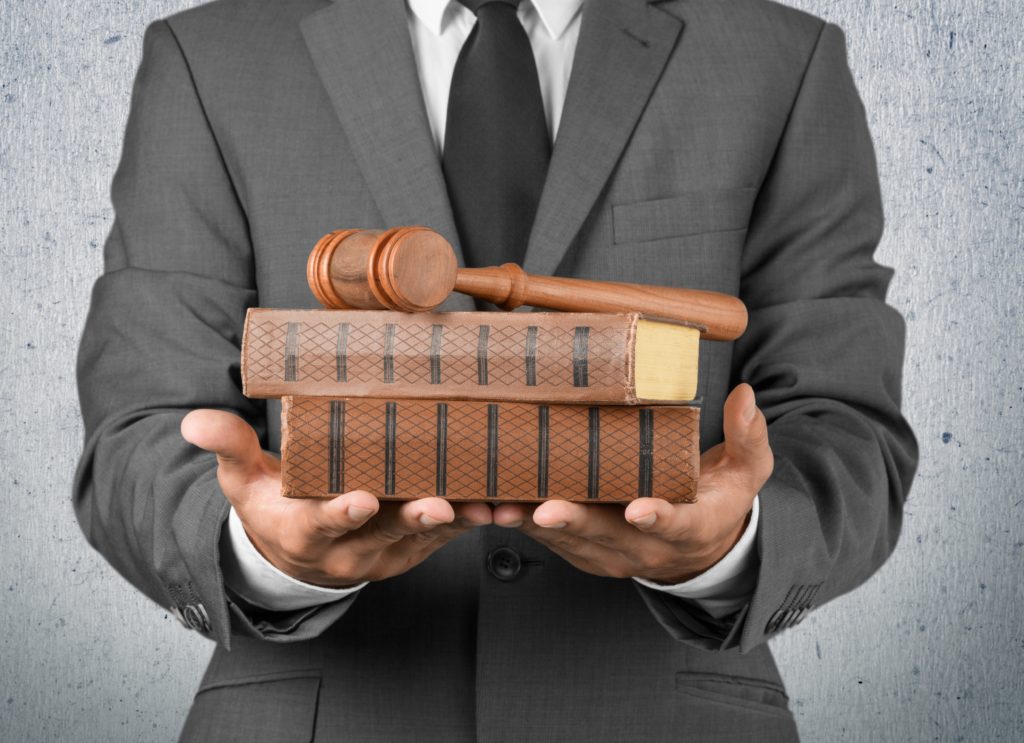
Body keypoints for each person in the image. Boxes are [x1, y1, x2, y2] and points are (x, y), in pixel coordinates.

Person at [74, 0, 918, 740]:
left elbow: (849, 433)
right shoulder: (211, 57)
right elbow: (138, 438)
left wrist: (724, 546)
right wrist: (265, 553)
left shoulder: (779, 60)